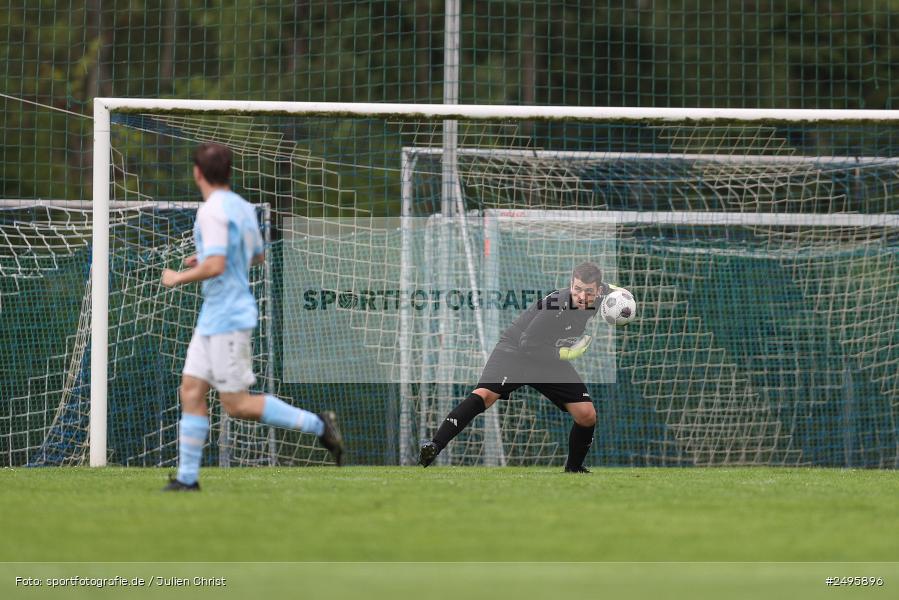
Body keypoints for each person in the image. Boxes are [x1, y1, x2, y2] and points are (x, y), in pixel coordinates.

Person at [160, 142, 343, 491]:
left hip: (228, 316)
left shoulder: (212, 210)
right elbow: (256, 256)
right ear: (229, 172)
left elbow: (218, 264)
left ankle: (319, 425)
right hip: (214, 315)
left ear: (197, 172)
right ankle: (187, 479)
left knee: (237, 404)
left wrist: (178, 277)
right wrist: (208, 259)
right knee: (191, 389)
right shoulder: (242, 208)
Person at [419, 262, 609, 473]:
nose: (582, 296)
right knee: (484, 396)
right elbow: (527, 344)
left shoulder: (602, 296)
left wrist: (625, 298)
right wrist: (565, 354)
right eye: (577, 289)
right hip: (516, 352)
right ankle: (434, 446)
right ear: (571, 285)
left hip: (547, 360)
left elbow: (616, 292)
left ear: (598, 291)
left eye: (588, 291)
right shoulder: (556, 305)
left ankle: (573, 469)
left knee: (586, 414)